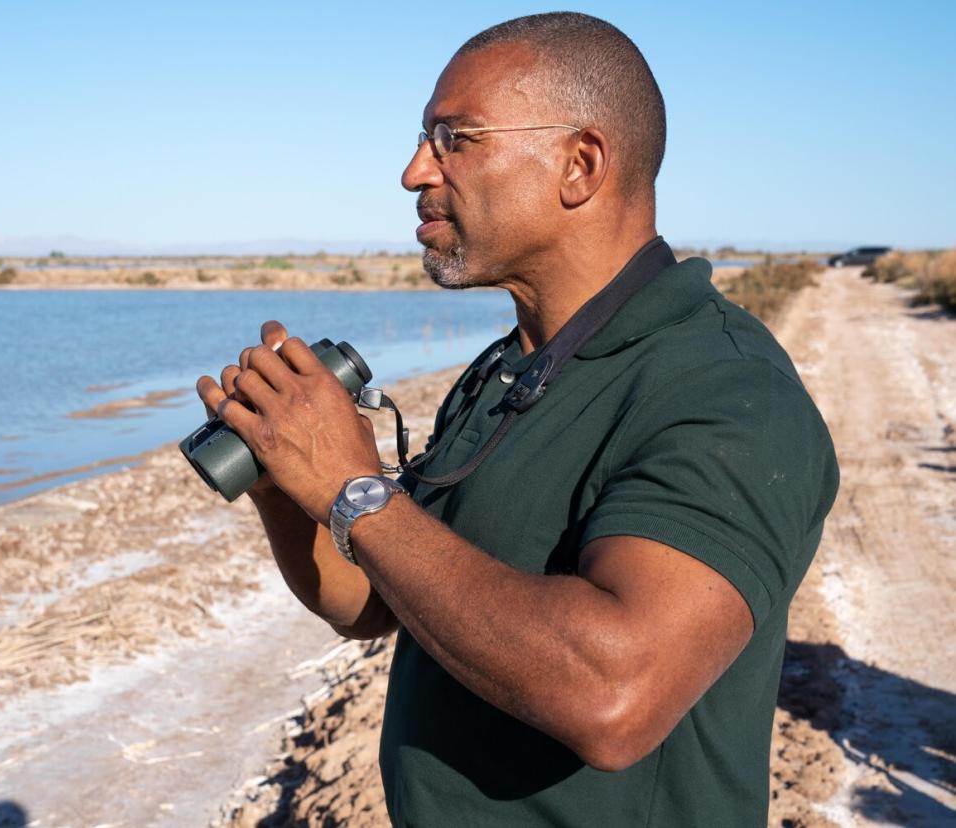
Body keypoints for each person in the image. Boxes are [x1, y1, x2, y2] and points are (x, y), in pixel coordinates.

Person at [195, 12, 838, 827]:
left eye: (453, 138)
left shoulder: (729, 395)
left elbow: (616, 695)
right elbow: (373, 600)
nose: (412, 171)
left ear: (581, 164)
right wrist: (291, 483)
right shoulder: (513, 367)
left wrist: (355, 486)